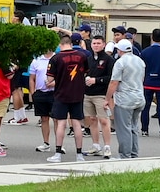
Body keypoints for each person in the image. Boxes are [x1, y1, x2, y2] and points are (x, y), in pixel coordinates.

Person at [47, 33, 91, 163]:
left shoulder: (56, 58)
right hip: (77, 93)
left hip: (61, 94)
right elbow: (86, 72)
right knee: (77, 123)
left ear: (60, 45)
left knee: (61, 123)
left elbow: (49, 79)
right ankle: (79, 155)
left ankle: (58, 153)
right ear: (71, 44)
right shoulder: (82, 56)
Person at [110, 37, 146, 158]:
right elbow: (142, 79)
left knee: (123, 128)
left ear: (120, 50)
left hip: (125, 99)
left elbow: (114, 82)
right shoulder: (140, 61)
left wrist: (107, 98)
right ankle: (133, 153)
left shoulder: (120, 62)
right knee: (133, 127)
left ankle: (124, 155)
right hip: (139, 97)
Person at [139, 29, 160, 137]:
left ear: (151, 37)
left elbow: (141, 68)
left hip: (147, 82)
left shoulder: (144, 52)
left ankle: (144, 130)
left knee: (146, 107)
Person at [84, 33, 114, 156]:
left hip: (101, 94)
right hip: (88, 94)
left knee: (104, 120)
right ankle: (95, 145)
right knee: (91, 119)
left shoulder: (109, 60)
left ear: (104, 44)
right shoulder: (88, 58)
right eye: (94, 43)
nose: (96, 45)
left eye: (98, 43)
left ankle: (107, 146)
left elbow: (111, 77)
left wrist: (96, 80)